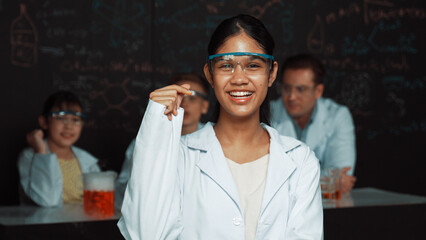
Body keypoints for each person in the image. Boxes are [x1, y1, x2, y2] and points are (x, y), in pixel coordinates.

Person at [118, 14, 323, 239]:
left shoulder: (300, 160)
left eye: (253, 65)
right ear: (210, 74)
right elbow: (146, 234)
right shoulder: (181, 155)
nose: (239, 79)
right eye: (226, 65)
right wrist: (155, 129)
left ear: (271, 73)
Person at [114, 72, 210, 207]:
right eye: (178, 96)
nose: (185, 104)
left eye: (192, 97)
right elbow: (122, 192)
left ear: (205, 106)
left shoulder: (217, 141)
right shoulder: (145, 141)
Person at [270, 54, 356, 193]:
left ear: (318, 91)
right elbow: (264, 179)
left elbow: (342, 177)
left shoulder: (338, 116)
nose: (291, 96)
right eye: (286, 88)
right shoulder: (267, 115)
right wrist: (327, 184)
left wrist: (286, 181)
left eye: (301, 89)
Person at [18, 91, 100, 207]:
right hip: (45, 224)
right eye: (60, 118)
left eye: (76, 120)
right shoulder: (30, 157)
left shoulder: (87, 160)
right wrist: (41, 152)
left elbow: (98, 203)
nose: (69, 126)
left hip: (84, 224)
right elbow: (47, 200)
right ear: (44, 122)